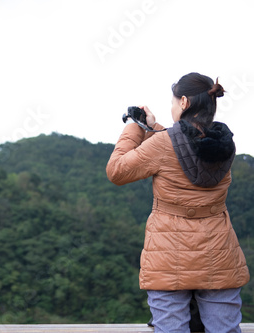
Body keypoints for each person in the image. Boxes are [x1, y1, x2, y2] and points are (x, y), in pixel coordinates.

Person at [106, 72, 250, 333]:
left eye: (173, 102)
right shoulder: (225, 144)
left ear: (183, 102)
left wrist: (134, 126)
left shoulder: (162, 144)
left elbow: (116, 170)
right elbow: (184, 146)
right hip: (218, 253)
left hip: (168, 254)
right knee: (225, 329)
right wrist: (154, 126)